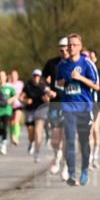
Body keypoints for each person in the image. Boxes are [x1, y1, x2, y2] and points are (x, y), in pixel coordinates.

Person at [56, 33, 100, 186]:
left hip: (84, 108)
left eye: (74, 45)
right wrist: (63, 82)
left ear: (80, 47)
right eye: (69, 45)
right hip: (68, 107)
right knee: (69, 140)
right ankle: (71, 173)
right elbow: (58, 83)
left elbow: (96, 86)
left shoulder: (87, 64)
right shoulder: (62, 65)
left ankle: (85, 169)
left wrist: (80, 78)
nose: (71, 47)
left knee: (83, 141)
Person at [43, 37, 69, 177]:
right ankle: (56, 157)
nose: (64, 52)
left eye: (66, 49)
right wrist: (48, 90)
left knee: (67, 137)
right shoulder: (52, 63)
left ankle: (66, 166)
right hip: (55, 103)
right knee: (55, 138)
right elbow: (42, 80)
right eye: (61, 49)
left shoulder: (76, 64)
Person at [20, 69, 48, 162]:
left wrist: (46, 99)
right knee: (31, 132)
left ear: (40, 77)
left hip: (41, 110)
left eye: (38, 76)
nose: (36, 78)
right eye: (35, 76)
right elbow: (21, 97)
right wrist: (26, 100)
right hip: (30, 110)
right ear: (32, 77)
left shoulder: (44, 86)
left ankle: (37, 152)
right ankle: (31, 142)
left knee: (38, 131)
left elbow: (49, 98)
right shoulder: (28, 85)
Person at [0, 69, 17, 155]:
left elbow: (15, 95)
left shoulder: (9, 87)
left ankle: (3, 144)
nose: (1, 77)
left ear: (5, 77)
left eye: (3, 76)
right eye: (0, 76)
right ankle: (0, 140)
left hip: (7, 110)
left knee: (5, 127)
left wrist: (11, 100)